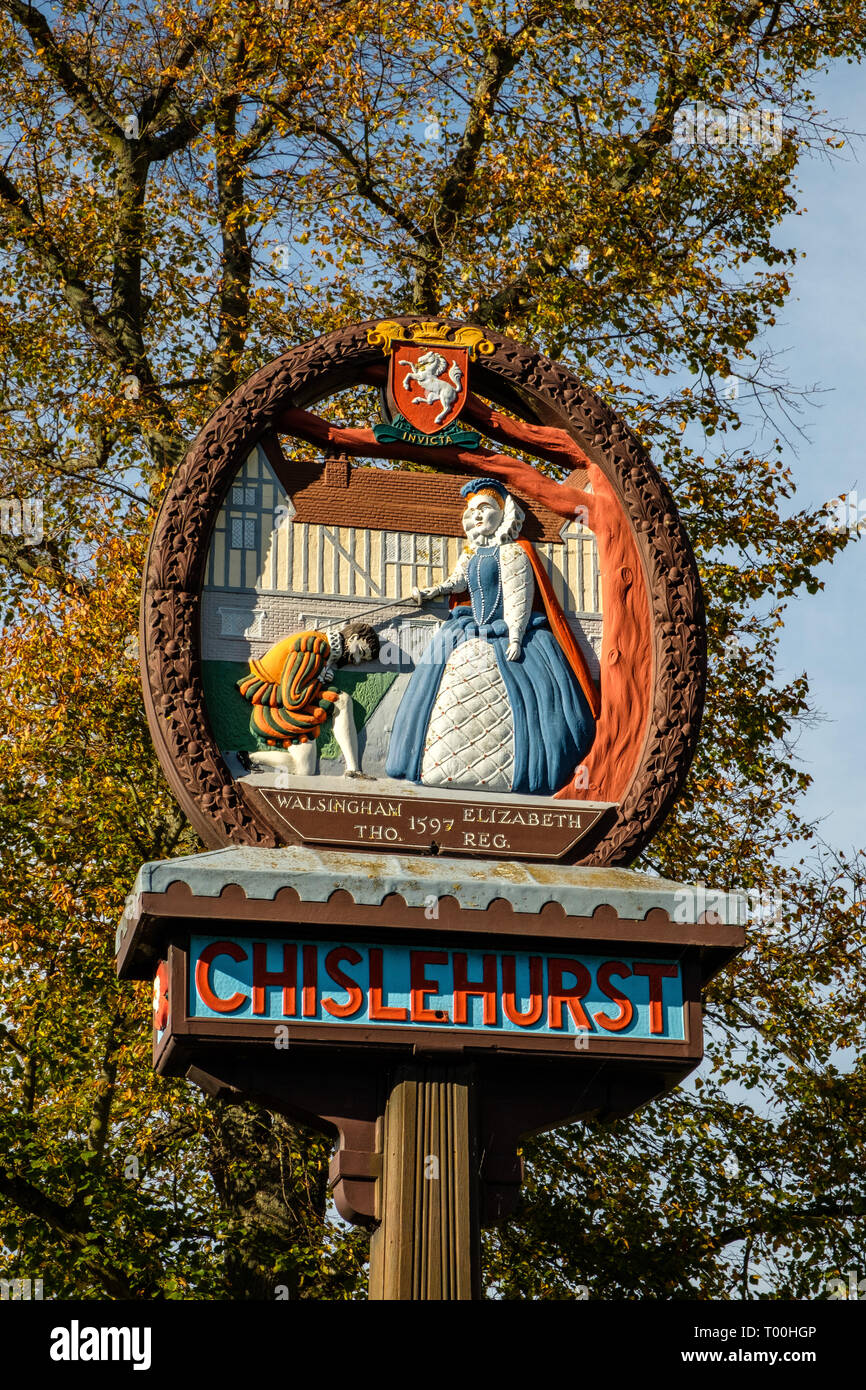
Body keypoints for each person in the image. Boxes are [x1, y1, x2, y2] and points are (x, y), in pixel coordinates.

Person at [385, 478, 598, 795]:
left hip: (510, 636)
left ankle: (513, 772)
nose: (477, 515)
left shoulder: (513, 553)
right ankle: (439, 767)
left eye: (484, 508)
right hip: (470, 628)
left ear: (505, 512)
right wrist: (433, 591)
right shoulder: (472, 551)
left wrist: (514, 638)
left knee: (531, 702)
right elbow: (458, 582)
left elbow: (517, 598)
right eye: (472, 511)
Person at [237, 621, 379, 778]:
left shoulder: (325, 650)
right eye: (360, 651)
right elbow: (293, 698)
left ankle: (249, 758)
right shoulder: (315, 646)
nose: (357, 660)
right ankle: (353, 769)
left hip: (287, 703)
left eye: (363, 658)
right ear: (352, 638)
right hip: (273, 705)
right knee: (342, 701)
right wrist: (320, 679)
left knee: (304, 769)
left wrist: (320, 678)